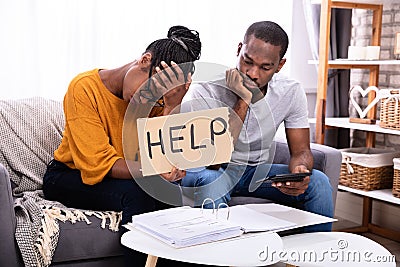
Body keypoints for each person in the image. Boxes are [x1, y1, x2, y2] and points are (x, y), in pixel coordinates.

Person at [42, 25, 201, 266]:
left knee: (171, 194)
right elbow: (98, 163)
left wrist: (170, 107)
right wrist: (153, 169)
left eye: (158, 99)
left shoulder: (159, 103)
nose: (147, 102)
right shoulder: (84, 88)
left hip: (126, 175)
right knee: (138, 195)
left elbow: (162, 154)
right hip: (69, 176)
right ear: (145, 60)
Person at [180, 21, 334, 232]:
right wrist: (243, 100)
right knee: (214, 181)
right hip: (209, 170)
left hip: (255, 173)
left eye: (265, 67)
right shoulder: (207, 90)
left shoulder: (290, 91)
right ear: (239, 50)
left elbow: (301, 151)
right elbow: (213, 160)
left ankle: (312, 259)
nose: (252, 73)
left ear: (279, 65)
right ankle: (218, 259)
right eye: (247, 61)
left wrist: (300, 171)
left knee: (319, 182)